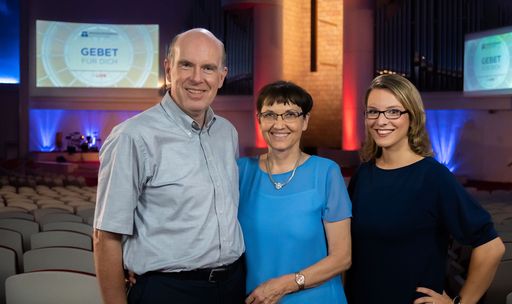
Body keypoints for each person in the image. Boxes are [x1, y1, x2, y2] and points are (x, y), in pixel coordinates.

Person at [93, 28, 245, 304]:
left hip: (232, 286)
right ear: (168, 69)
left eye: (208, 68)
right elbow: (106, 236)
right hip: (168, 291)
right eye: (186, 64)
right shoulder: (132, 136)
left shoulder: (227, 133)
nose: (197, 78)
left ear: (222, 77)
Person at [346, 74, 505, 304]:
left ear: (412, 117)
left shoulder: (433, 177)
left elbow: (491, 247)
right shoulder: (363, 175)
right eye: (373, 111)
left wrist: (462, 302)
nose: (381, 121)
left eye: (393, 111)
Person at [238, 80, 352, 304]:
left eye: (290, 114)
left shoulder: (326, 172)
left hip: (317, 299)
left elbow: (342, 258)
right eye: (270, 114)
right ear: (259, 120)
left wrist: (284, 285)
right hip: (257, 299)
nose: (279, 124)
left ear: (305, 121)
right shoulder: (240, 171)